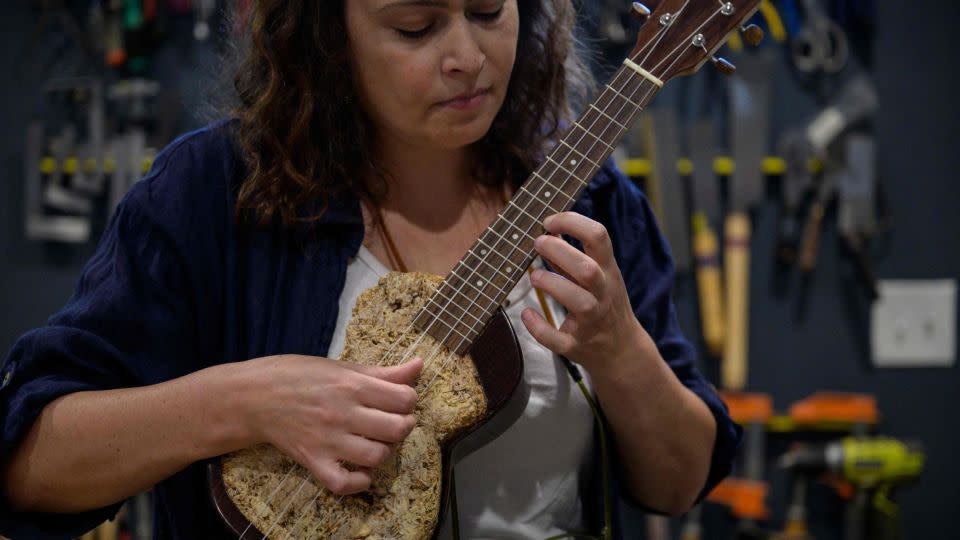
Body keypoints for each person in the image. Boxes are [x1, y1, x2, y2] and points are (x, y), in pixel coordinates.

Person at [0, 0, 742, 538]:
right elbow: (32, 465)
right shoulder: (212, 192)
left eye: (489, 12)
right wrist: (243, 402)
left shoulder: (593, 198)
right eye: (415, 28)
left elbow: (677, 485)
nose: (466, 57)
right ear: (327, 37)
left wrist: (621, 350)